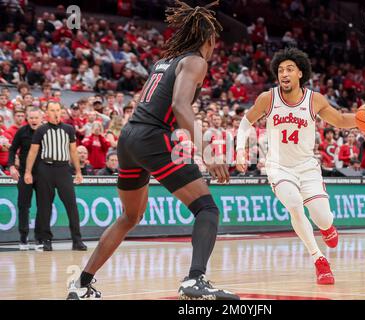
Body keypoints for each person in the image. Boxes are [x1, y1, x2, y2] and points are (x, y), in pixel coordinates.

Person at [67, 1, 238, 301]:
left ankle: (81, 284)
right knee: (206, 208)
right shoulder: (196, 61)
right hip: (150, 137)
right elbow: (179, 106)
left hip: (129, 138)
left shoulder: (166, 61)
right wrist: (208, 151)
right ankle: (195, 280)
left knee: (130, 217)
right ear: (209, 39)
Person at [236, 47, 360, 285]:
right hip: (278, 166)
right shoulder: (267, 98)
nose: (284, 73)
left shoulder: (314, 100)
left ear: (300, 73)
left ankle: (327, 227)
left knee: (323, 218)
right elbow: (245, 122)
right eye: (281, 70)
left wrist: (363, 121)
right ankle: (319, 260)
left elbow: (342, 120)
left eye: (290, 69)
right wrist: (241, 149)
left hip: (307, 167)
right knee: (293, 203)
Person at [24, 101, 87, 252]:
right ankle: (46, 240)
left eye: (58, 110)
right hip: (45, 169)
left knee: (71, 205)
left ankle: (77, 240)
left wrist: (78, 171)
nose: (56, 113)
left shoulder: (69, 129)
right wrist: (27, 171)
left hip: (64, 169)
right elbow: (32, 152)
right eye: (52, 110)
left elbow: (73, 151)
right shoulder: (41, 130)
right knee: (45, 206)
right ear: (47, 112)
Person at [7, 108, 43, 250]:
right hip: (24, 173)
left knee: (43, 207)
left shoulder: (46, 132)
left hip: (42, 175)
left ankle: (39, 239)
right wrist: (11, 166)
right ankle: (23, 238)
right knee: (23, 206)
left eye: (36, 118)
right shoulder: (21, 131)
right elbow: (12, 149)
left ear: (41, 118)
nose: (34, 120)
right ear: (27, 119)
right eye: (31, 118)